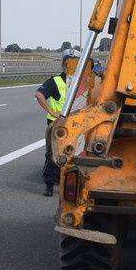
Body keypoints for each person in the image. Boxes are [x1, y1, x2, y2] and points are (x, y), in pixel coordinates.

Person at [34, 49, 86, 196]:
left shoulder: (84, 81)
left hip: (76, 124)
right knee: (53, 155)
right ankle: (49, 186)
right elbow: (39, 95)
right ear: (63, 64)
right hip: (57, 125)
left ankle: (74, 183)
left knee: (76, 154)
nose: (70, 65)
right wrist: (51, 111)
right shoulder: (55, 81)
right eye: (68, 62)